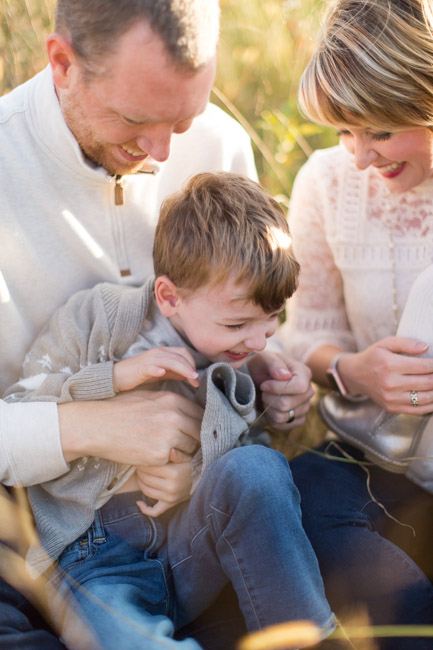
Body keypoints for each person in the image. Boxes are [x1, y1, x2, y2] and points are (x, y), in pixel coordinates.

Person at [0, 1, 316, 648]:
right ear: (61, 63)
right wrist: (90, 423)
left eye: (184, 118)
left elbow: (238, 317)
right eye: (136, 119)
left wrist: (276, 373)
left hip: (203, 515)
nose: (162, 152)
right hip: (56, 533)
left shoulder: (220, 145)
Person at [2, 171, 339, 650]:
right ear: (169, 296)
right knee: (122, 639)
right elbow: (23, 403)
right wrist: (114, 378)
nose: (262, 340)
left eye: (274, 319)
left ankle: (307, 637)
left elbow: (249, 476)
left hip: (191, 546)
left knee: (259, 468)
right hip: (96, 560)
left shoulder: (236, 361)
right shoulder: (98, 318)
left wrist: (200, 473)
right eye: (239, 323)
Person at [277, 0, 433, 648]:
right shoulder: (326, 184)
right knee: (298, 498)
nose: (359, 156)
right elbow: (297, 332)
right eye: (343, 131)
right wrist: (351, 370)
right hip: (373, 457)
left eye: (378, 130)